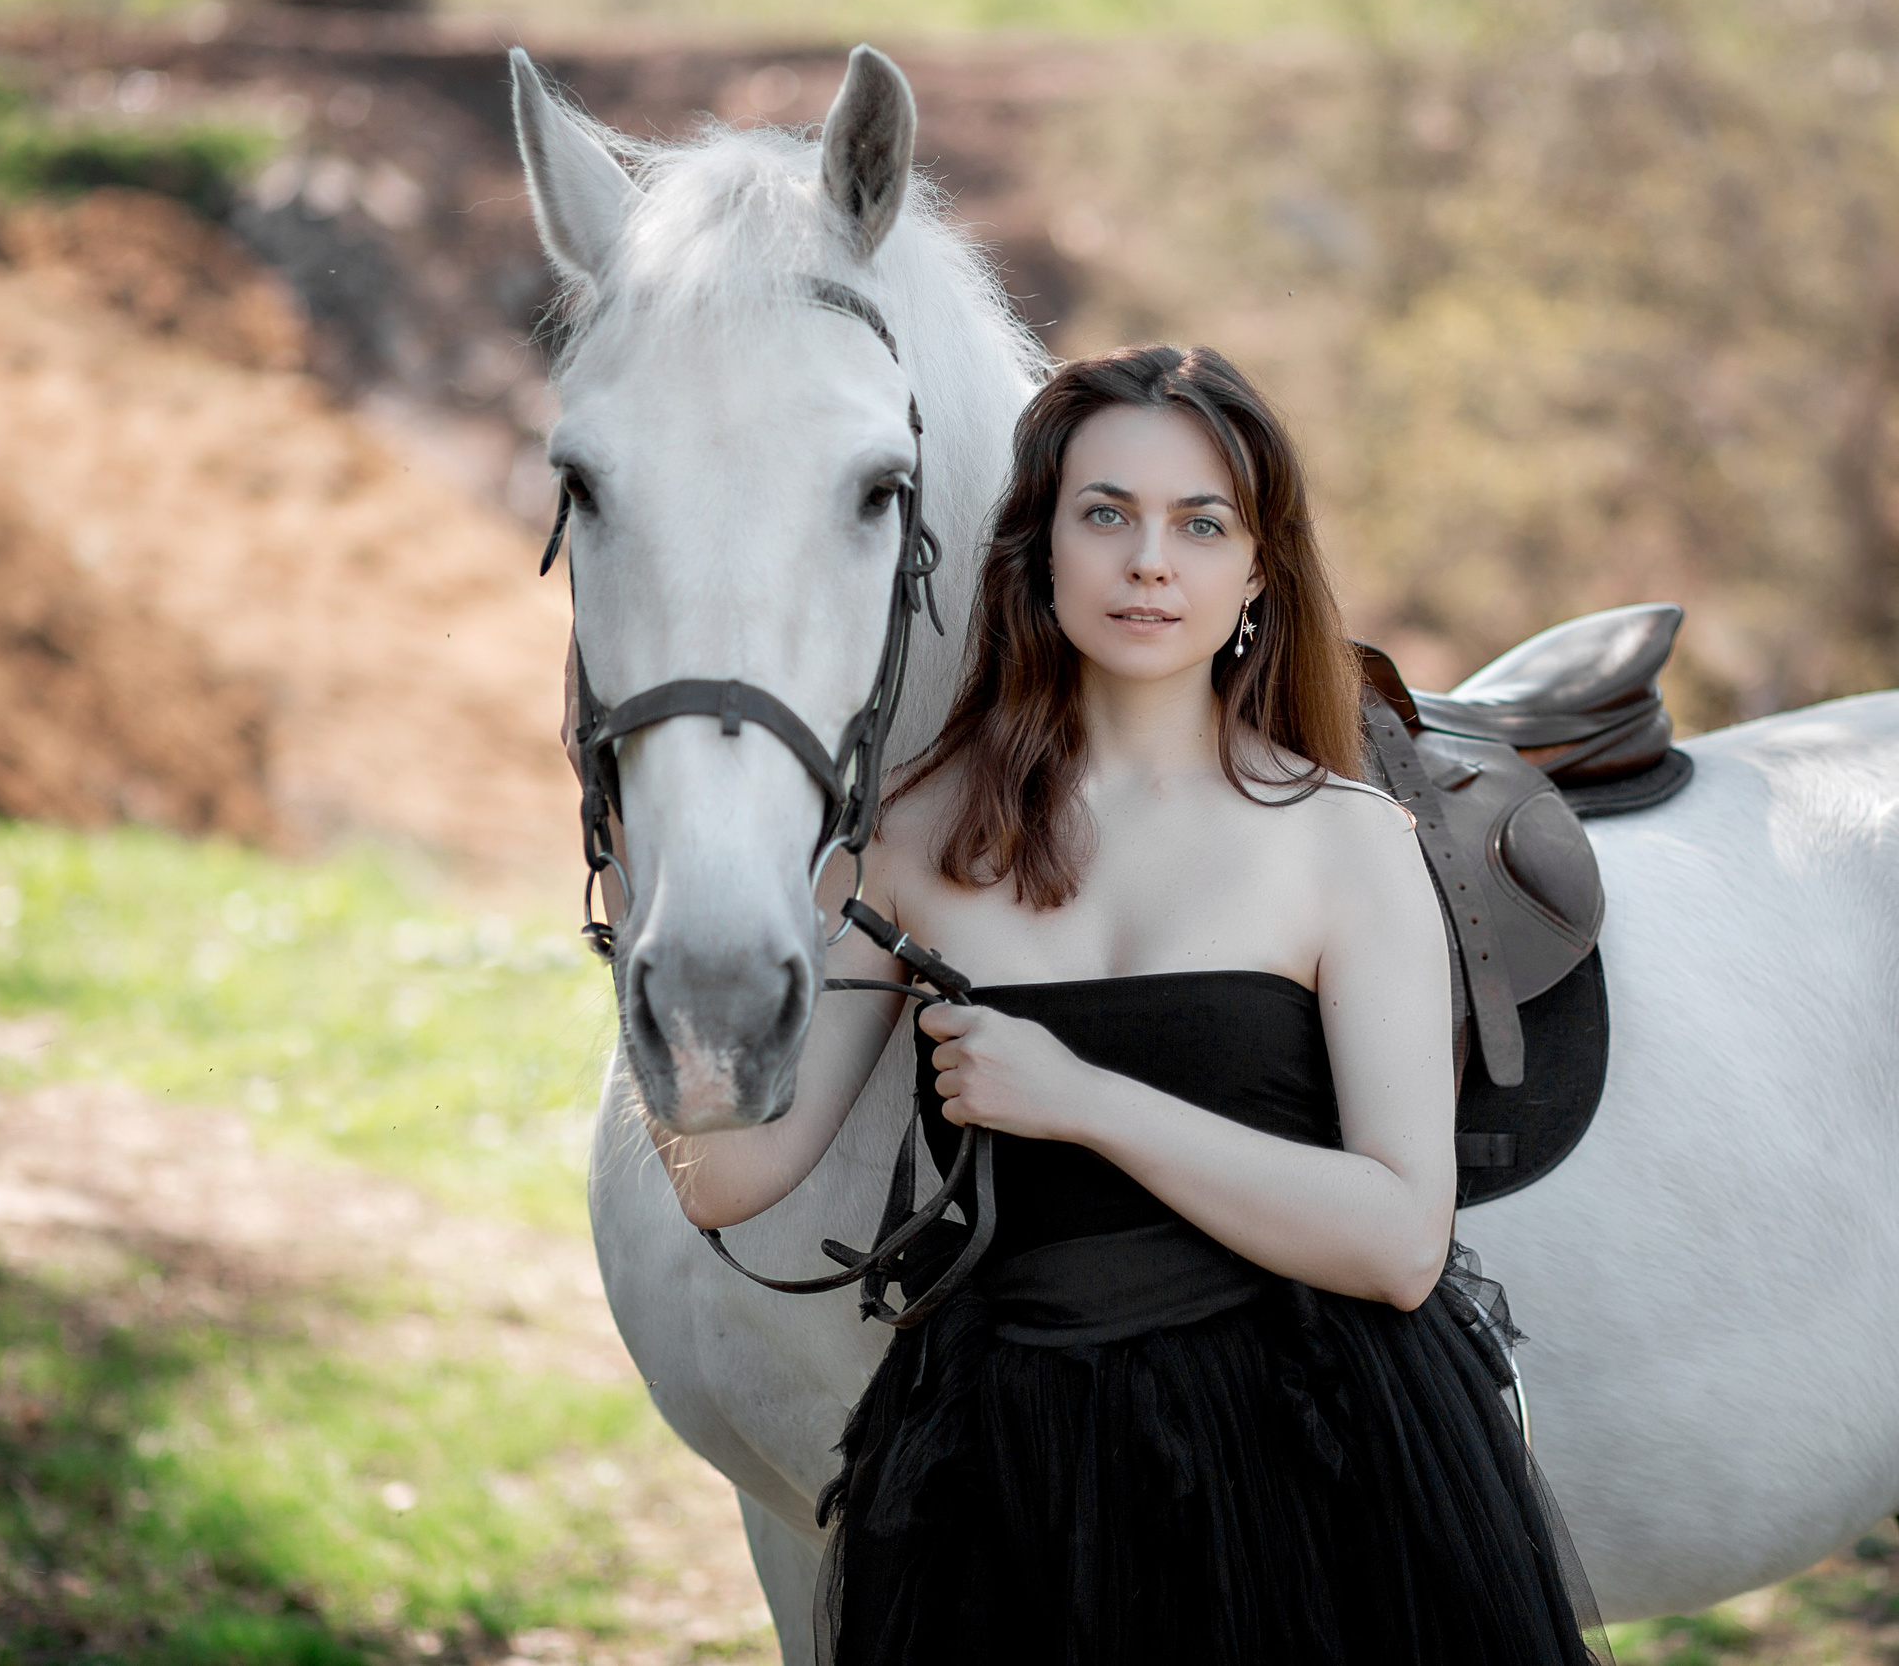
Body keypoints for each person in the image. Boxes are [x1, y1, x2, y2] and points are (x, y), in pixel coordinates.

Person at [646, 345, 1600, 1666]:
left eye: (1201, 524)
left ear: (1257, 570)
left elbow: (1398, 1243)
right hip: (1010, 1474)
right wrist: (665, 910)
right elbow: (728, 1175)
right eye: (1106, 514)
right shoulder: (916, 836)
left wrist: (1082, 1101)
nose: (1150, 562)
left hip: (1312, 1466)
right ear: (1039, 547)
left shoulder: (1344, 841)